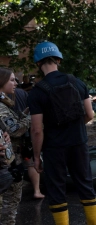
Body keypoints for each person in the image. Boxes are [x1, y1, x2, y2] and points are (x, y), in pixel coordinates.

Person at [27, 41, 96, 225]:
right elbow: (89, 114)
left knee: (57, 190)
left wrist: (36, 156)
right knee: (85, 185)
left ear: (38, 64)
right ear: (58, 59)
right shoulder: (77, 82)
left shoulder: (36, 92)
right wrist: (76, 127)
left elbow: (36, 130)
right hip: (79, 142)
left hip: (54, 148)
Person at [0, 68, 31, 225]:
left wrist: (26, 113)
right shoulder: (1, 106)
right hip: (7, 162)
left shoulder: (5, 103)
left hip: (11, 159)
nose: (16, 83)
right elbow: (15, 130)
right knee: (9, 203)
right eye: (12, 80)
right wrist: (32, 116)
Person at [8, 85, 45, 199]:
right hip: (24, 134)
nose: (14, 84)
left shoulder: (5, 99)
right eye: (12, 80)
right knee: (30, 162)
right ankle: (36, 190)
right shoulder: (22, 94)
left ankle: (13, 194)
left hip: (13, 137)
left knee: (13, 164)